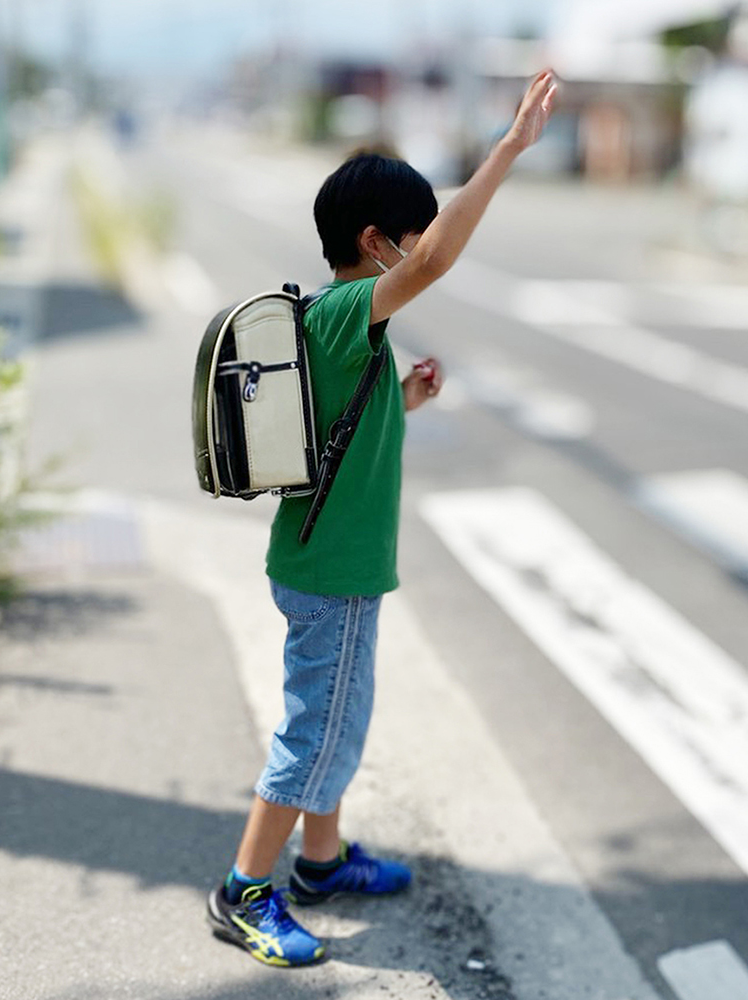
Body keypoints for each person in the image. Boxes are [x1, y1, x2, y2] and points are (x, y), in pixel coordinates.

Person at [207, 69, 560, 968]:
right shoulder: (340, 311)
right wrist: (509, 148)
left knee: (334, 723)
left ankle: (319, 865)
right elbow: (441, 262)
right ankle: (245, 889)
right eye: (412, 239)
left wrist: (406, 394)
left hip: (334, 566)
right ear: (376, 243)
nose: (422, 253)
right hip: (331, 575)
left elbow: (342, 425)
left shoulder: (343, 330)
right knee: (314, 733)